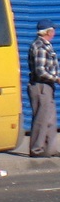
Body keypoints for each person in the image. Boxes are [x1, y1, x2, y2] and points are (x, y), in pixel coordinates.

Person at [27, 18, 59, 158]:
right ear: (48, 31)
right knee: (41, 119)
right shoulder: (40, 46)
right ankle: (37, 149)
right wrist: (57, 78)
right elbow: (40, 71)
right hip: (40, 87)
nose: (55, 32)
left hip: (48, 87)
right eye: (53, 30)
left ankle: (49, 149)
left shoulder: (46, 45)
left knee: (50, 119)